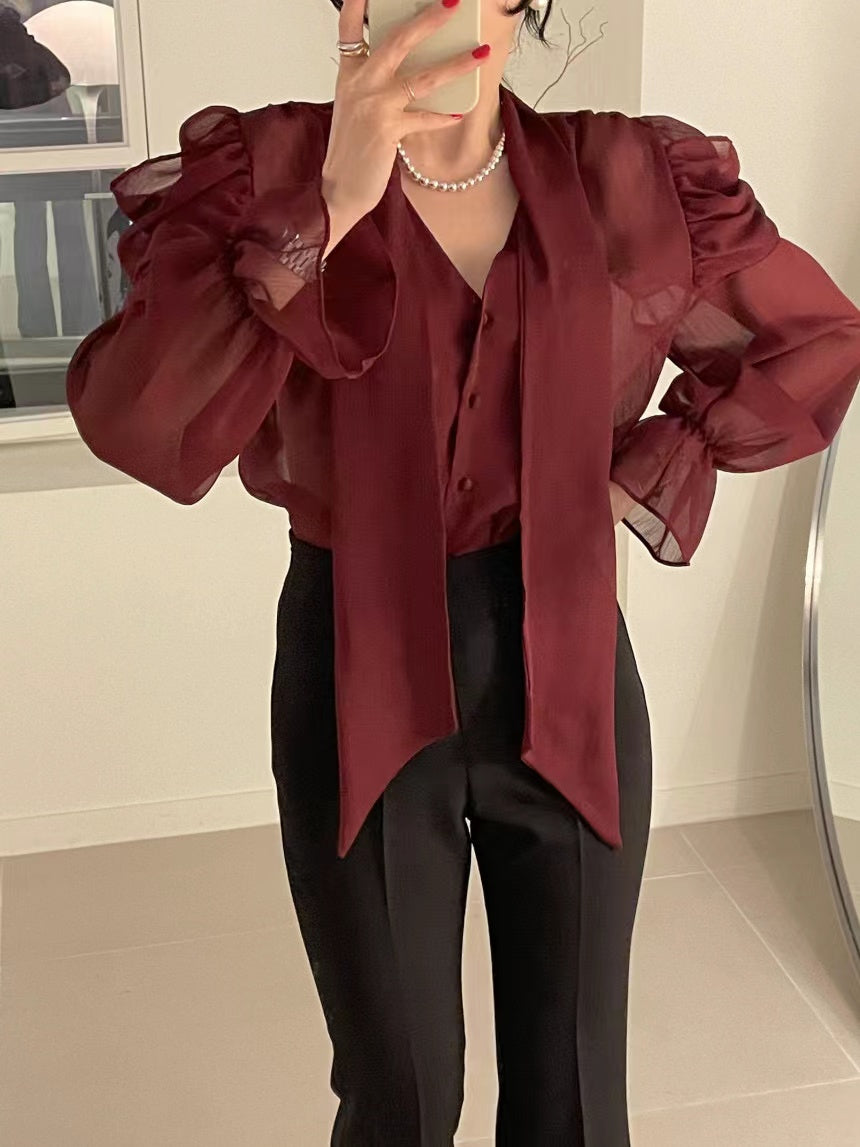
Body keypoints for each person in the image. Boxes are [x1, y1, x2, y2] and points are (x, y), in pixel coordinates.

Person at [65, 0, 860, 1142]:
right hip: (355, 667)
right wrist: (330, 205)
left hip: (570, 669)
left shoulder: (628, 177)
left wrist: (651, 463)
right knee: (400, 1096)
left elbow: (818, 335)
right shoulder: (260, 174)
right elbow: (137, 420)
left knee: (572, 1098)